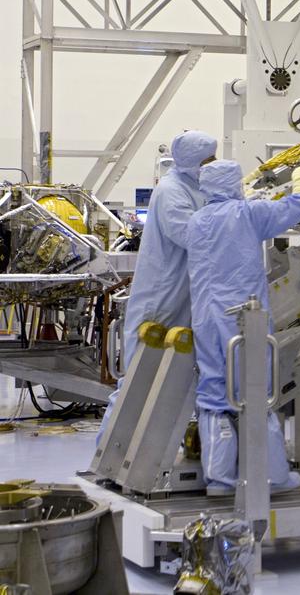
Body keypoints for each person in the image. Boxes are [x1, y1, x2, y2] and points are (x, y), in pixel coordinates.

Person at [187, 159, 300, 495]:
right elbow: (299, 205)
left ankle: (219, 479)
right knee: (256, 390)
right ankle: (272, 476)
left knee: (215, 392)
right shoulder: (248, 214)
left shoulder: (197, 220)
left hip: (206, 316)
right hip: (244, 317)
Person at [99, 131, 217, 438]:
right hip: (161, 297)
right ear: (191, 161)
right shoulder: (171, 190)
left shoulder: (196, 186)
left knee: (175, 375)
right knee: (141, 375)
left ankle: (151, 451)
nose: (212, 164)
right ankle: (110, 449)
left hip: (183, 294)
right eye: (207, 159)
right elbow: (190, 234)